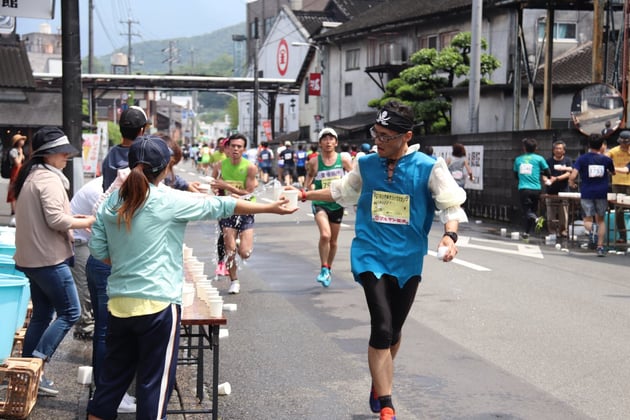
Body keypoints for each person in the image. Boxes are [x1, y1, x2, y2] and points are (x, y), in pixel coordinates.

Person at [86, 136, 296, 420]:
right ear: (164, 169)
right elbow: (223, 206)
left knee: (109, 389)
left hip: (120, 305)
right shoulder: (170, 200)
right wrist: (270, 208)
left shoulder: (111, 201)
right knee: (153, 388)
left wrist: (127, 261)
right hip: (159, 307)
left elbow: (99, 251)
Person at [295, 101, 467, 420]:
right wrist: (304, 195)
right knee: (382, 326)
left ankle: (378, 382)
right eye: (377, 133)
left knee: (395, 331)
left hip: (408, 258)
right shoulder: (366, 163)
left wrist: (450, 236)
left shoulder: (430, 167)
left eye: (386, 136)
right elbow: (341, 192)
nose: (379, 141)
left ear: (407, 136)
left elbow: (451, 207)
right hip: (370, 252)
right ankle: (387, 405)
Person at [13, 126, 96, 396]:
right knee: (71, 312)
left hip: (31, 258)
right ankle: (38, 363)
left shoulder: (33, 175)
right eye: (62, 153)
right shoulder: (48, 180)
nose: (66, 157)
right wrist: (89, 221)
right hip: (48, 258)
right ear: (49, 155)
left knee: (41, 315)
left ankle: (27, 372)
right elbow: (57, 220)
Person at [303, 127, 353, 287]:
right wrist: (306, 190)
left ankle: (328, 269)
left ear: (336, 142)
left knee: (333, 241)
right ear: (320, 143)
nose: (328, 142)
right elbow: (309, 176)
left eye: (331, 139)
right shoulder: (314, 161)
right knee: (325, 235)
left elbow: (353, 178)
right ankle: (323, 267)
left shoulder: (343, 160)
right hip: (320, 203)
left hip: (337, 203)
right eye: (325, 139)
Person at [211, 133, 259, 294]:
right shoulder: (219, 165)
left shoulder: (250, 167)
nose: (236, 149)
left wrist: (228, 186)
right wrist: (216, 190)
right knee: (229, 248)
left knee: (245, 253)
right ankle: (234, 281)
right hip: (227, 210)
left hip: (246, 210)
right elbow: (213, 183)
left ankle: (241, 244)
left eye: (239, 146)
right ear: (228, 147)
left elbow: (248, 193)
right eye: (233, 146)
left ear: (244, 149)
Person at [570, 134, 615, 256]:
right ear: (601, 146)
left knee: (587, 219)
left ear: (588, 145)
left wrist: (571, 182)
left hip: (587, 192)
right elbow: (613, 172)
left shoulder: (582, 159)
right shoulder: (607, 160)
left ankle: (592, 229)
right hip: (602, 192)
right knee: (601, 220)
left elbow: (573, 175)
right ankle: (600, 247)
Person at [69, 177, 102, 341]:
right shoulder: (98, 191)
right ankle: (84, 326)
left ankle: (91, 321)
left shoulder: (107, 186)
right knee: (84, 285)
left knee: (91, 284)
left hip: (89, 239)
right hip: (78, 239)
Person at [101, 105, 150, 191]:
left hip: (111, 203)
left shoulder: (110, 156)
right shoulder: (145, 155)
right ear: (141, 130)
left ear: (120, 129)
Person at [513, 137, 551, 239]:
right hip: (536, 188)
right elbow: (548, 172)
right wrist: (539, 172)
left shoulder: (518, 159)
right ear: (536, 148)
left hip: (524, 188)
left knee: (527, 211)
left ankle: (537, 219)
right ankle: (526, 233)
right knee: (532, 211)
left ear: (524, 148)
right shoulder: (539, 159)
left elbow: (515, 175)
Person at [544, 140, 573, 237]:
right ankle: (552, 230)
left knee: (564, 212)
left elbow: (569, 173)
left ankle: (563, 231)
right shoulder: (548, 161)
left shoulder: (567, 160)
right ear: (553, 150)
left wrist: (556, 178)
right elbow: (544, 174)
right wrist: (546, 180)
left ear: (564, 150)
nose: (558, 150)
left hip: (564, 189)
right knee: (550, 211)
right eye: (556, 148)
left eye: (560, 148)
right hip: (551, 189)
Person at [606, 130, 630, 244]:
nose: (624, 145)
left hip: (629, 183)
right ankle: (623, 236)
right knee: (618, 210)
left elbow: (626, 170)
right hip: (617, 183)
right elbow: (606, 157)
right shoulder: (614, 151)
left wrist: (613, 169)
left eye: (626, 143)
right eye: (622, 143)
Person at [6, 133, 26, 227]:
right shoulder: (14, 151)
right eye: (21, 140)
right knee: (13, 192)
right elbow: (17, 163)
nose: (23, 141)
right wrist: (21, 154)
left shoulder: (20, 150)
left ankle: (17, 211)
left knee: (19, 191)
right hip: (15, 173)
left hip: (19, 172)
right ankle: (14, 211)